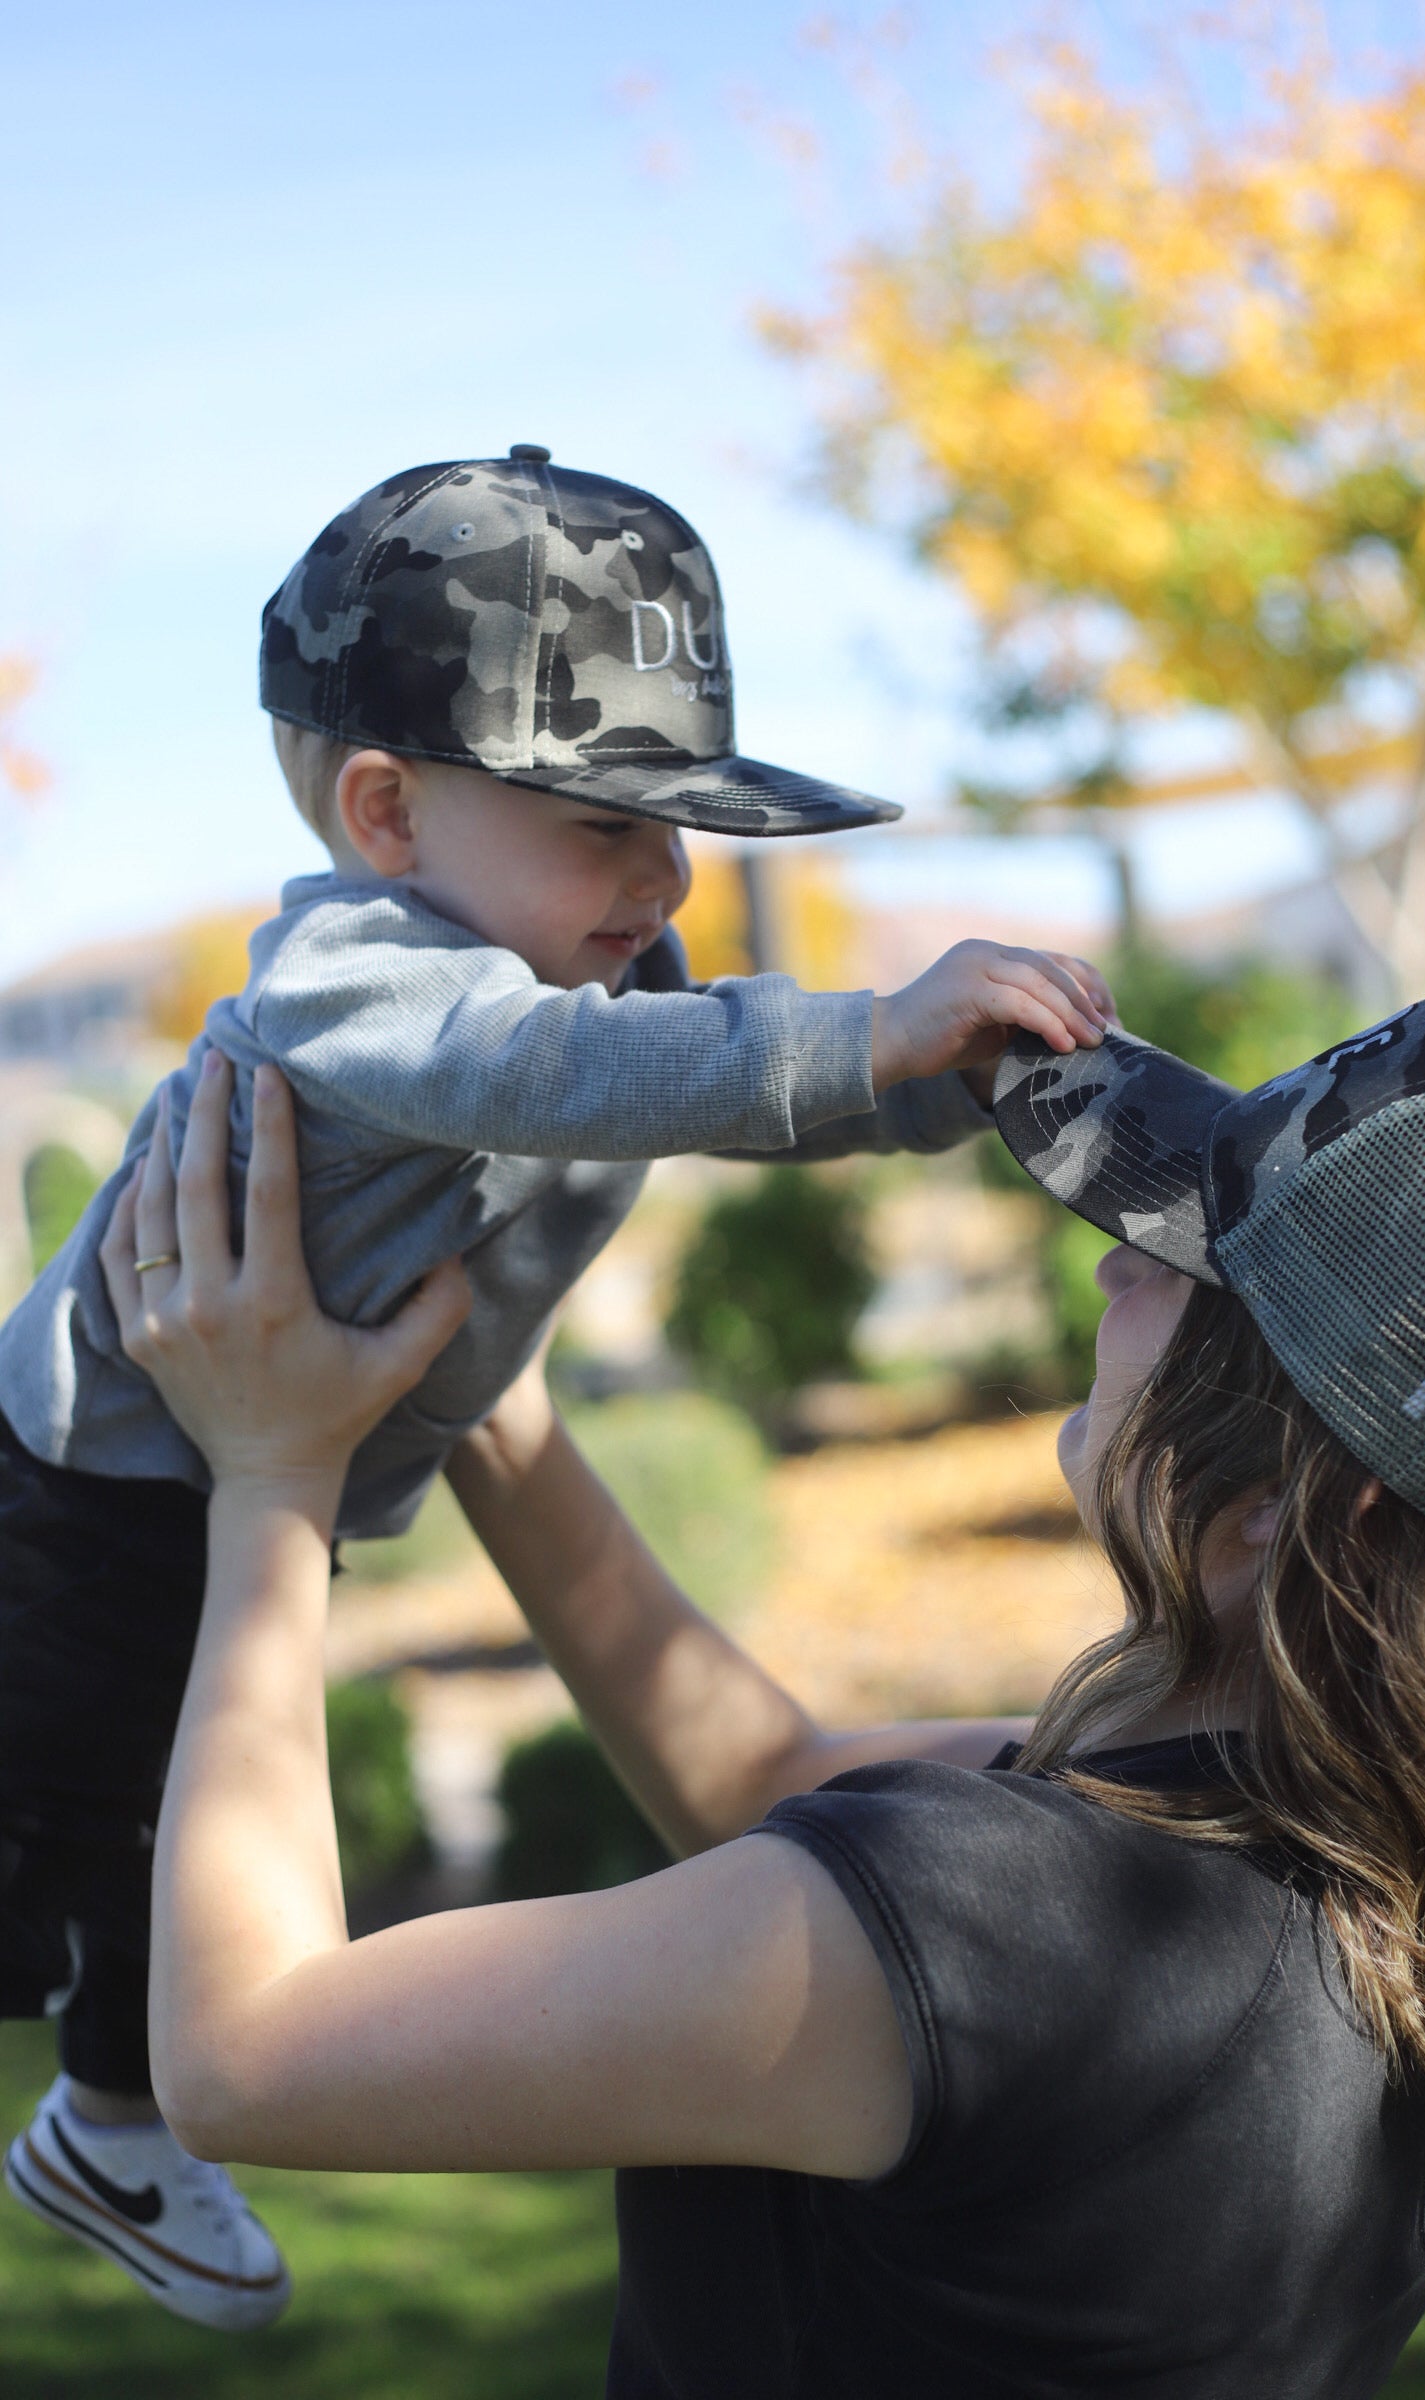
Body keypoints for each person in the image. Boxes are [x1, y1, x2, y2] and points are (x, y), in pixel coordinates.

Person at [55, 988, 1425, 2396]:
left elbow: (249, 2056)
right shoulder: (1415, 1875)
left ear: (1304, 1507)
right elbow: (763, 1772)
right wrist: (490, 1409)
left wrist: (271, 1477)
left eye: (1192, 1260)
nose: (1120, 1259)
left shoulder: (1001, 1926)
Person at [0, 443, 1112, 2326]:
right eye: (607, 822)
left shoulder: (574, 981)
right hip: (90, 1500)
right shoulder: (361, 990)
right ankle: (111, 2109)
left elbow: (693, 1082)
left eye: (679, 826)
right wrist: (864, 1032)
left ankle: (104, 2123)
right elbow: (580, 1080)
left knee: (135, 1826)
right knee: (73, 1816)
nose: (667, 873)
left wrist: (968, 1082)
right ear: (385, 813)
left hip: (252, 1469)